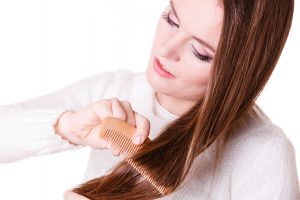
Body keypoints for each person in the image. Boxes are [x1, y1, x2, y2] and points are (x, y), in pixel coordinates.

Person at [1, 0, 299, 199]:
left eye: (200, 53)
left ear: (239, 72)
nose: (167, 49)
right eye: (171, 19)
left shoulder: (263, 154)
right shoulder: (115, 91)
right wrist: (67, 128)